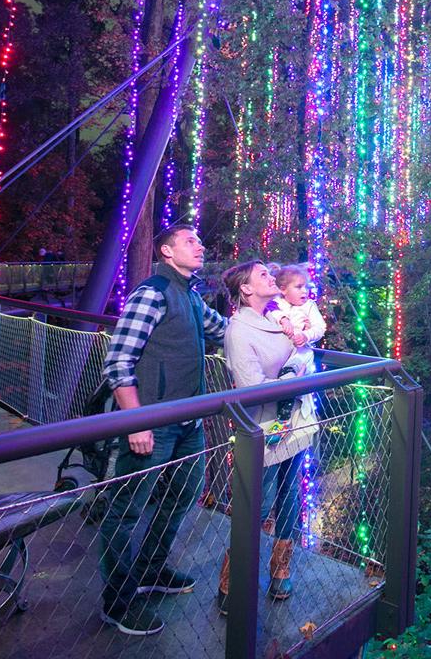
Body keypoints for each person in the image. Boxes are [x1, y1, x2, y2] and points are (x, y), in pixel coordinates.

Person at [97, 225, 228, 637]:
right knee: (125, 510)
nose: (201, 245)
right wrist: (136, 421)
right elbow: (118, 361)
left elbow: (226, 330)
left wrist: (285, 322)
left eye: (200, 241)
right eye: (191, 241)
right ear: (167, 252)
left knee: (181, 496)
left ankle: (151, 570)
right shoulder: (152, 292)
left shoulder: (189, 295)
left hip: (188, 422)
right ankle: (117, 603)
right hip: (152, 422)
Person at [216, 261, 319, 613]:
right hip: (266, 430)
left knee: (291, 495)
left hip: (297, 422)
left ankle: (281, 566)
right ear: (246, 289)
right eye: (262, 275)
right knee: (258, 503)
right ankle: (234, 577)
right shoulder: (239, 330)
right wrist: (293, 377)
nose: (270, 278)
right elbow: (251, 387)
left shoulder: (278, 317)